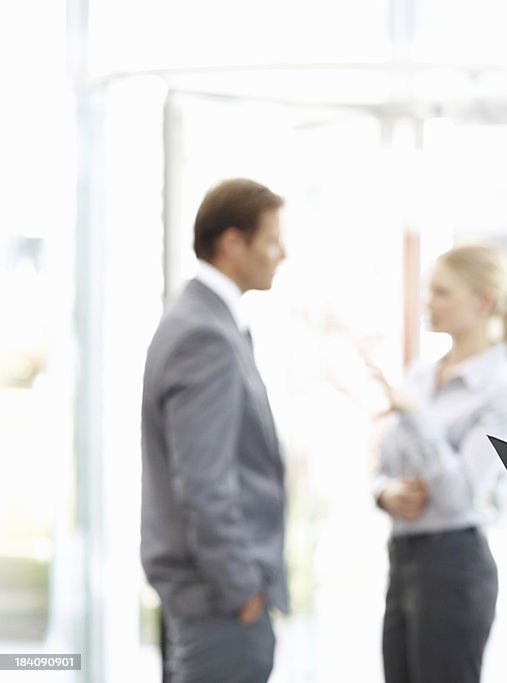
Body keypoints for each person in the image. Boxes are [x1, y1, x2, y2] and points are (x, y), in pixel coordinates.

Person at [141, 178, 289, 683]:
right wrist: (241, 590)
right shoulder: (204, 333)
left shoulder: (206, 320)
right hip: (220, 604)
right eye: (271, 240)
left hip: (211, 598)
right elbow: (204, 482)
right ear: (232, 243)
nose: (281, 254)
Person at [372, 243, 507, 683]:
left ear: (484, 301)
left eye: (441, 292)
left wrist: (414, 415)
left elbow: (460, 495)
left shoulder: (501, 387)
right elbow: (383, 468)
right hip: (402, 559)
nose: (428, 302)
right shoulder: (419, 376)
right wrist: (386, 494)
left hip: (453, 566)